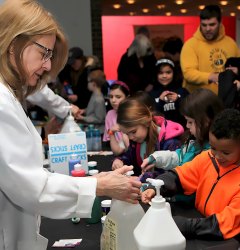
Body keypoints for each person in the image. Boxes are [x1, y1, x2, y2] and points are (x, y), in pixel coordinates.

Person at [0, 1, 141, 249]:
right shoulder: (2, 102)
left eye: (50, 56)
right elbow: (32, 189)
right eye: (44, 53)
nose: (46, 65)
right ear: (13, 45)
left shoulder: (10, 94)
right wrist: (99, 185)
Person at [141, 109, 240, 247]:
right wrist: (156, 188)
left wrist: (185, 225)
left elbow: (228, 224)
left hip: (232, 236)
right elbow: (181, 176)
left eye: (226, 152)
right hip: (202, 221)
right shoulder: (208, 157)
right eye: (213, 148)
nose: (217, 156)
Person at [142, 88, 224, 172]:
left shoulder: (214, 153)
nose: (187, 125)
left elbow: (189, 172)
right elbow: (179, 157)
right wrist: (157, 158)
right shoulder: (193, 140)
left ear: (206, 121)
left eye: (190, 122)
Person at [112, 98, 184, 179]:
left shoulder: (170, 142)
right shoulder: (136, 140)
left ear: (146, 122)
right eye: (126, 134)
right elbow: (129, 157)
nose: (130, 137)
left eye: (133, 132)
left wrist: (145, 178)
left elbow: (173, 174)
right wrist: (120, 161)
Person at [180, 4, 240, 94]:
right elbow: (188, 73)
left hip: (226, 99)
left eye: (212, 24)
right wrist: (212, 76)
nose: (207, 29)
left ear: (220, 23)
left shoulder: (230, 43)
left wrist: (238, 71)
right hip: (198, 101)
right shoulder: (190, 45)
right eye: (204, 25)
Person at [149, 58, 189, 126]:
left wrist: (178, 100)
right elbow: (150, 117)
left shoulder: (182, 91)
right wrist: (160, 101)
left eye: (168, 72)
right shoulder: (151, 95)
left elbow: (189, 112)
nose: (164, 76)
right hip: (160, 132)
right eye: (160, 73)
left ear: (174, 73)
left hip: (182, 131)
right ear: (156, 74)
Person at [103, 81, 130, 155]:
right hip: (117, 152)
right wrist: (111, 132)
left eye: (118, 97)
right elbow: (114, 149)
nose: (113, 100)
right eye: (111, 97)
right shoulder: (110, 114)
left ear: (127, 98)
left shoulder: (133, 114)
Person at [76, 67, 106, 133]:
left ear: (94, 84)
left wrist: (83, 118)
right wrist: (84, 111)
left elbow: (99, 119)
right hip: (92, 130)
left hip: (97, 133)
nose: (87, 84)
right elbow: (94, 109)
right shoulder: (94, 95)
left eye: (88, 82)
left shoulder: (99, 99)